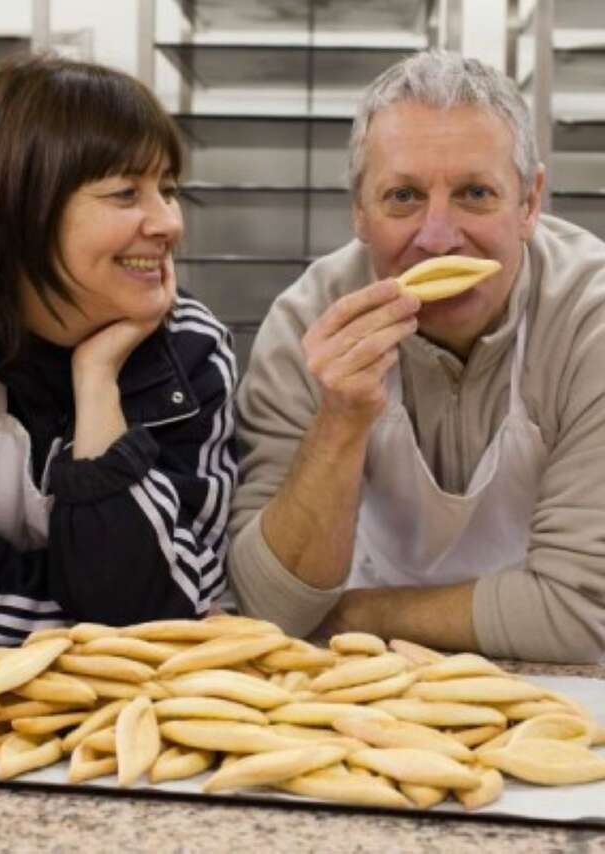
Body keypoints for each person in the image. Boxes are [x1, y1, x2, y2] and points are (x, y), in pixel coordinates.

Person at [228, 49, 605, 663]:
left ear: (531, 203)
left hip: (560, 693)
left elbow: (584, 613)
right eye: (403, 196)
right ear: (358, 212)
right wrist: (342, 419)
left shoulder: (591, 322)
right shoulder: (308, 324)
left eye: (475, 193)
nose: (436, 237)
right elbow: (265, 609)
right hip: (357, 689)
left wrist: (349, 614)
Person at [0, 54, 237, 645]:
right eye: (125, 193)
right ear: (24, 208)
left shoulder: (192, 349)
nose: (168, 223)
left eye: (167, 189)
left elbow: (172, 600)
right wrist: (93, 628)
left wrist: (97, 380)